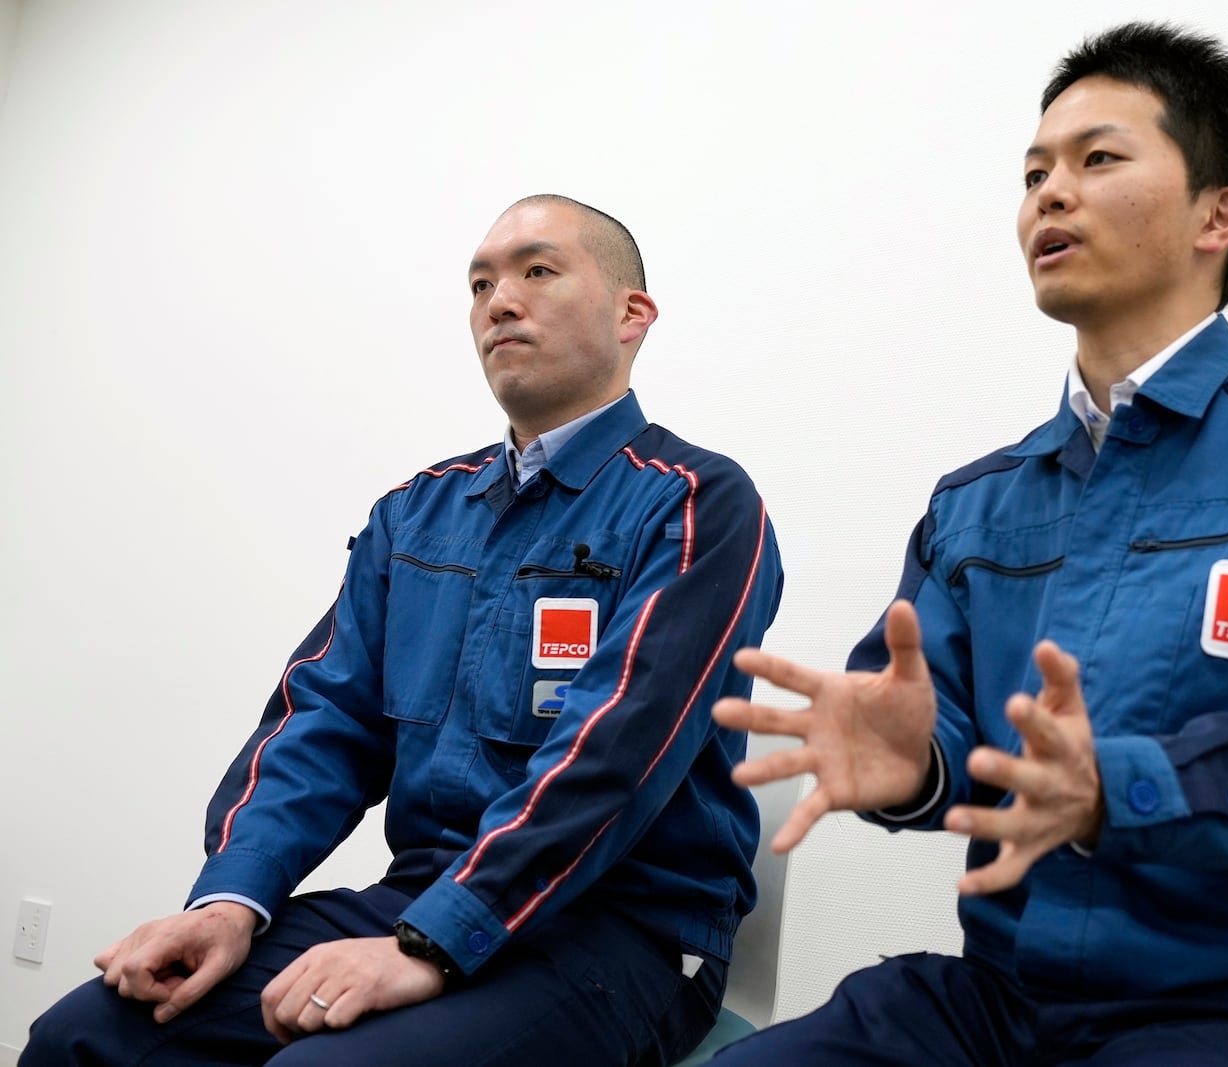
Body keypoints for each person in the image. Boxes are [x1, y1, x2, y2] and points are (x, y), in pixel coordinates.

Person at [711, 22, 1228, 1067]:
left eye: (1096, 159)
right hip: (1004, 1002)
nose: (1047, 195)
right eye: (1032, 173)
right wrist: (914, 764)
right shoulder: (976, 503)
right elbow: (948, 737)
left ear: (1217, 214)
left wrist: (1117, 785)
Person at [22, 194, 784, 1067]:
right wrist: (231, 901)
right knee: (82, 1036)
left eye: (537, 270)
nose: (498, 300)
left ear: (631, 314)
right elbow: (322, 724)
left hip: (622, 932)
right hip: (421, 897)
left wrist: (435, 943)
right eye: (480, 283)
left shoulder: (695, 504)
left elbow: (612, 758)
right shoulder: (416, 515)